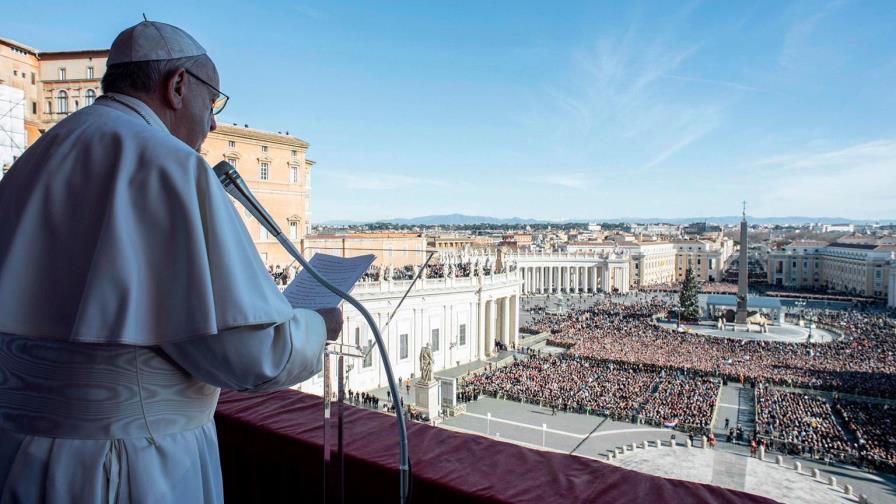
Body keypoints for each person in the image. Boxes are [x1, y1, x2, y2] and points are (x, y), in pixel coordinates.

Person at [0, 20, 342, 503]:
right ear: (178, 86)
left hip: (19, 455)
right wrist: (315, 327)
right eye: (213, 102)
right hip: (127, 466)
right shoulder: (170, 165)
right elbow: (245, 356)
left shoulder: (34, 161)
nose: (214, 123)